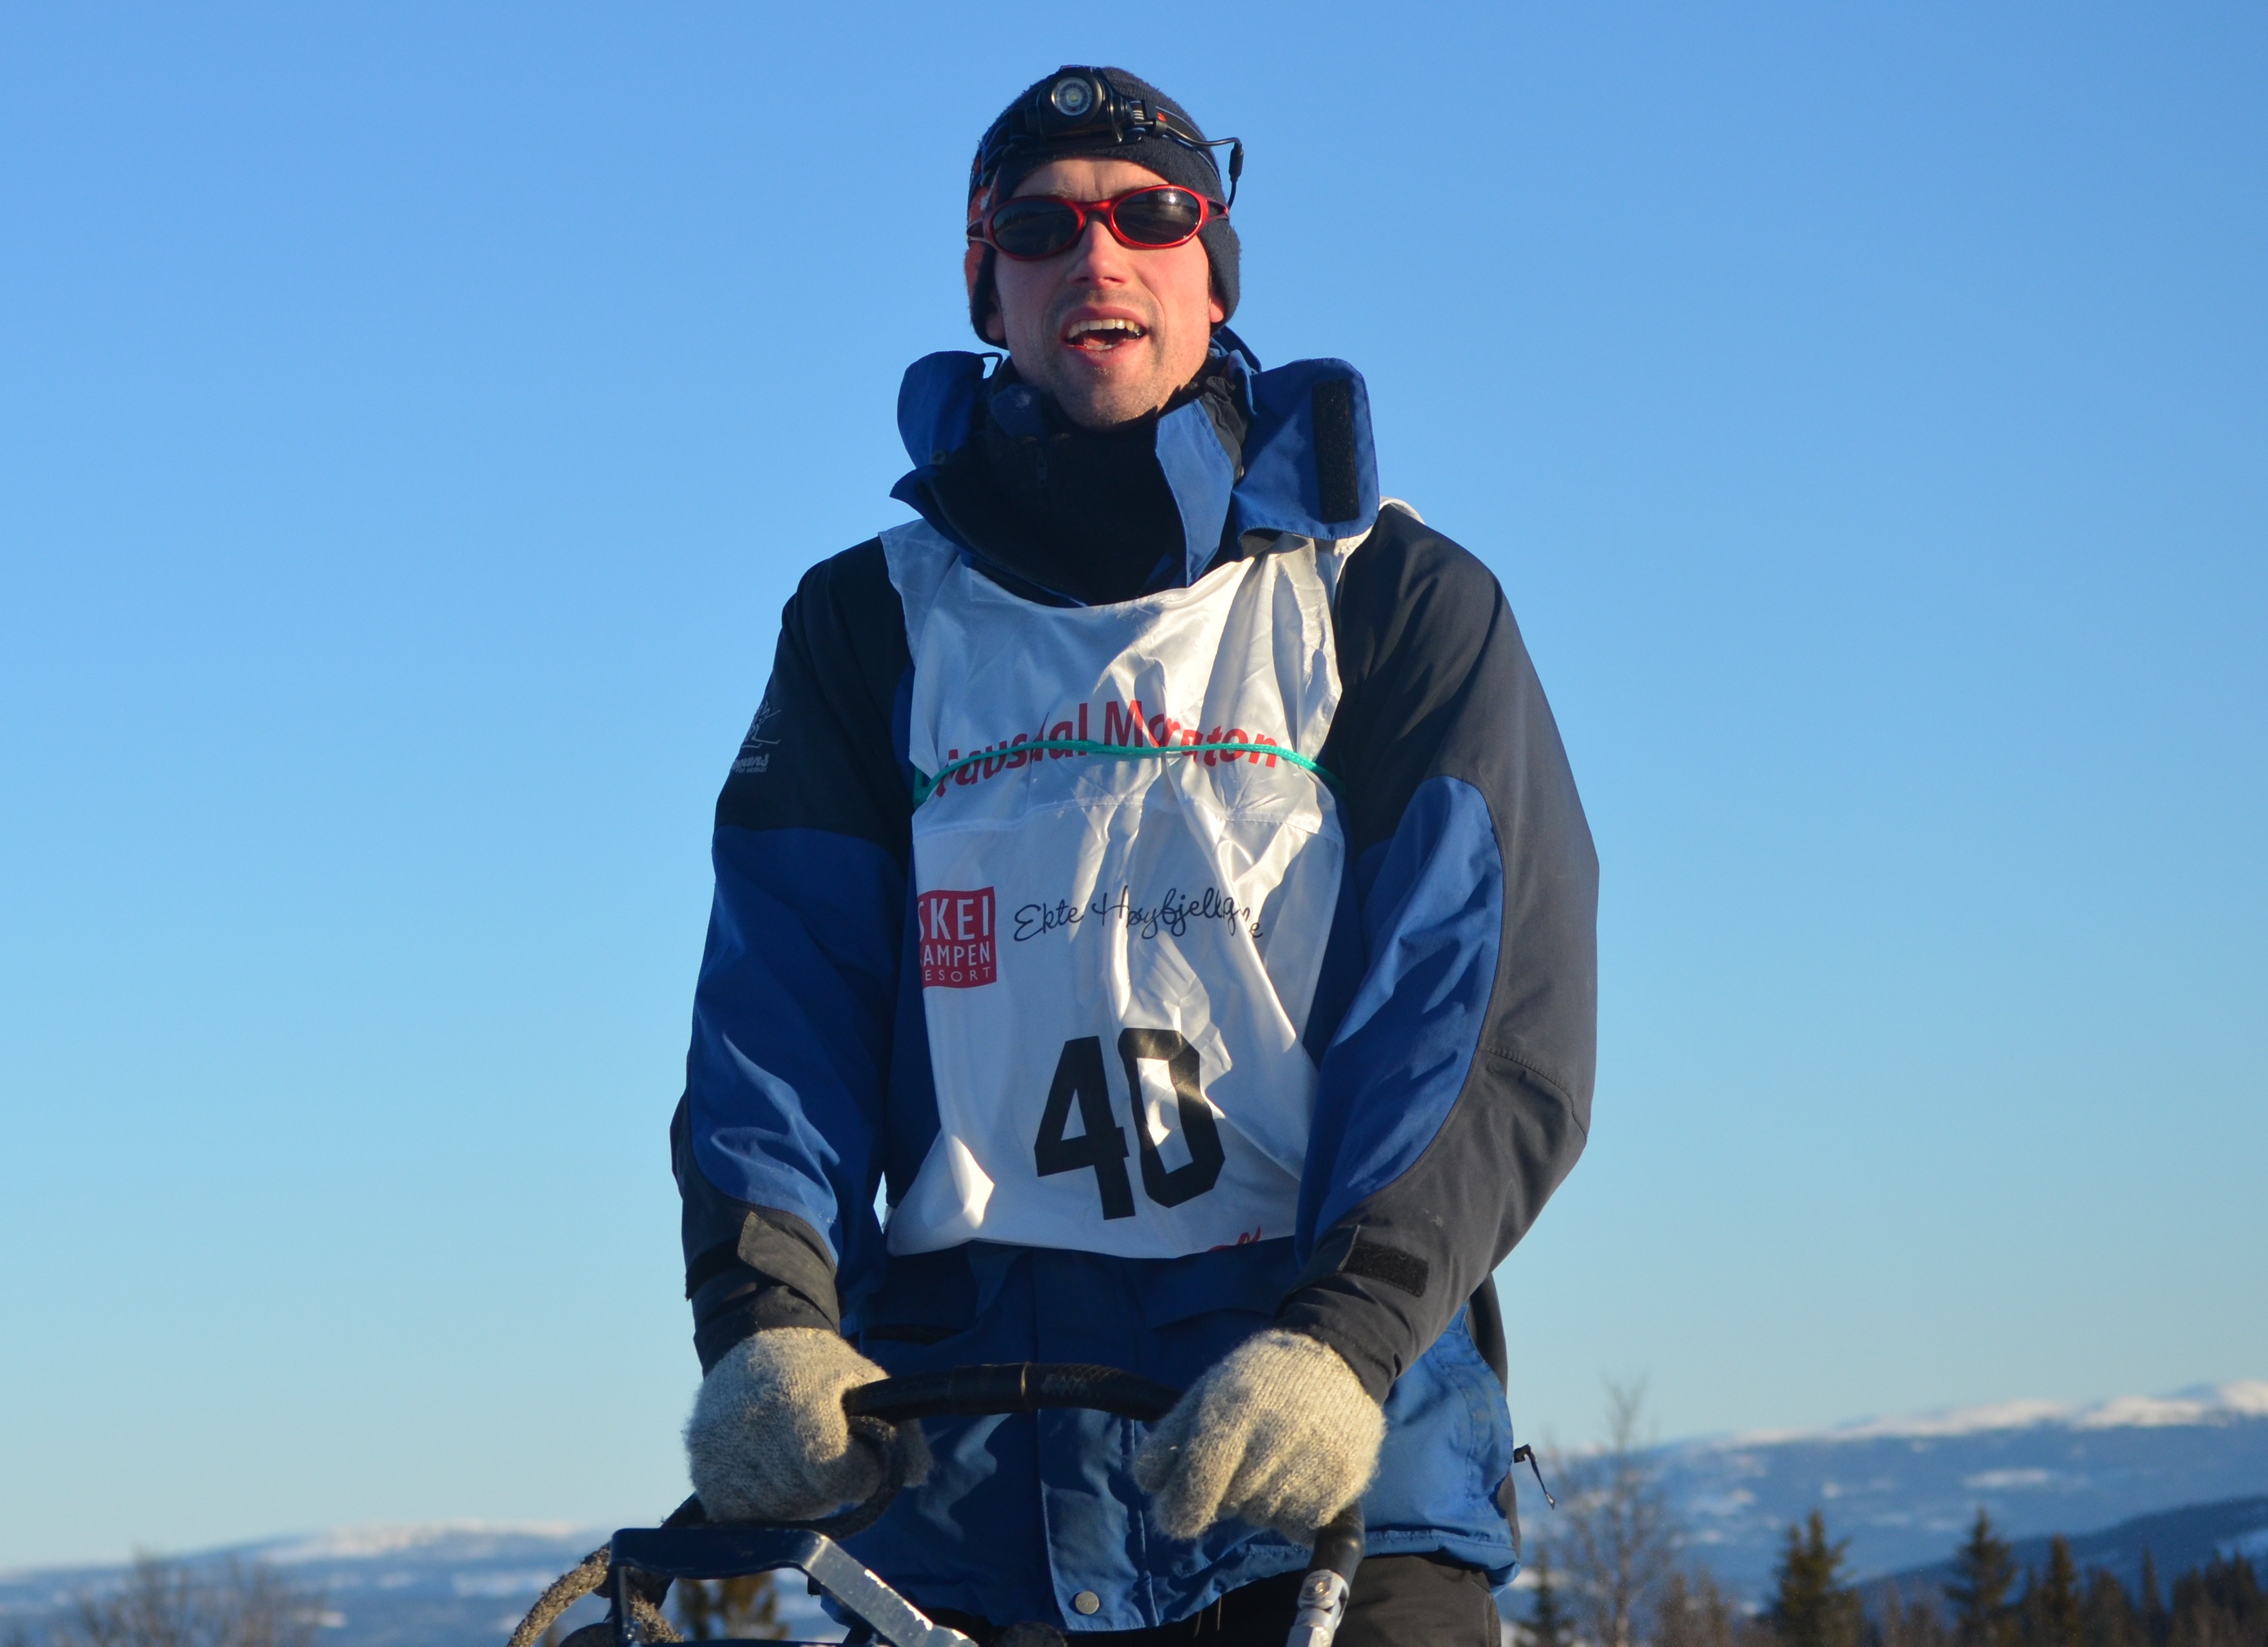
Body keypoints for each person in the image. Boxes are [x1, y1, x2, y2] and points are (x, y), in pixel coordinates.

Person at [671, 66, 1598, 1646]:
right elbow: (779, 1020)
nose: (1094, 253)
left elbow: (1482, 1017)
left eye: (1148, 214)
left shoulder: (1389, 598)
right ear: (987, 289)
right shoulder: (865, 625)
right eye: (1038, 228)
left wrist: (1343, 1337)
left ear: (1210, 269)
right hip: (970, 1503)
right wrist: (767, 1321)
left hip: (1327, 1477)